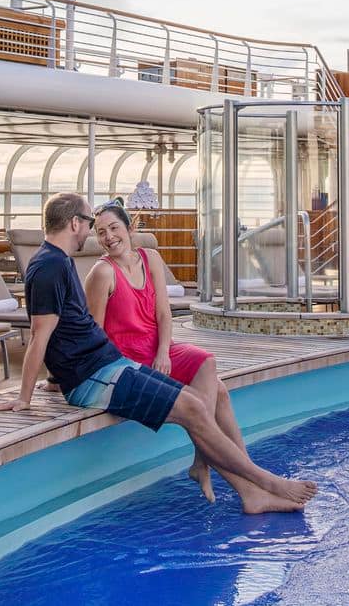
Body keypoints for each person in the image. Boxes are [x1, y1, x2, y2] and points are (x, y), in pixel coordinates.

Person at [0, 192, 316, 514]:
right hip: (94, 376)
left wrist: (54, 378)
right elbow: (40, 336)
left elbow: (69, 331)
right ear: (75, 223)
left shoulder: (58, 262)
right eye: (90, 224)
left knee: (199, 402)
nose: (92, 233)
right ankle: (268, 484)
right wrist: (24, 397)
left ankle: (251, 494)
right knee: (192, 406)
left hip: (106, 365)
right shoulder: (49, 267)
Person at [84, 200, 245, 503]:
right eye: (101, 232)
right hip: (127, 361)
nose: (108, 237)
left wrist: (163, 353)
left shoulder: (151, 258)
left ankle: (205, 461)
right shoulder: (102, 273)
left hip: (158, 349)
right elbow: (94, 334)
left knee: (206, 363)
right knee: (218, 391)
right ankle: (237, 472)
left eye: (114, 228)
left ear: (130, 228)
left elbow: (163, 314)